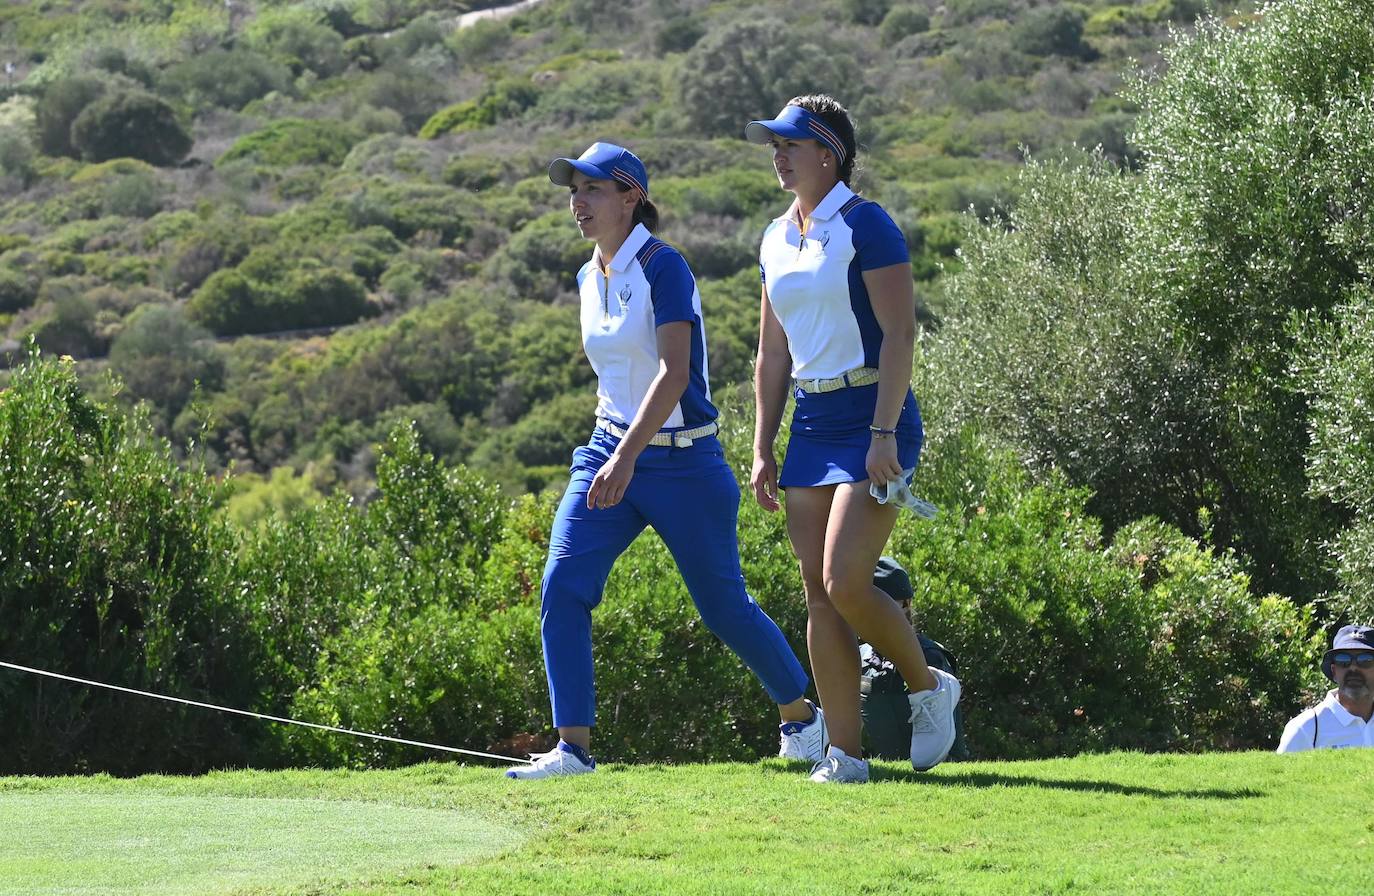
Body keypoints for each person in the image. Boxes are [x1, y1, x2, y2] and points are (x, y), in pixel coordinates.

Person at [507, 142, 823, 780]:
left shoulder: (664, 266)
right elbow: (615, 379)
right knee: (562, 586)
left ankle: (803, 719)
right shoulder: (585, 277)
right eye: (573, 190)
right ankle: (573, 750)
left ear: (630, 199)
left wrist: (627, 457)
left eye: (593, 190)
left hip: (683, 463)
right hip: (606, 451)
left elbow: (673, 374)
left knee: (722, 608)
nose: (578, 202)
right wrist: (615, 451)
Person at [745, 95, 960, 783]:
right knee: (817, 593)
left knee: (845, 581)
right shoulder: (775, 238)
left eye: (790, 144)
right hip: (811, 421)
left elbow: (900, 334)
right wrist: (761, 447)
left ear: (828, 154)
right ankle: (846, 756)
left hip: (874, 415)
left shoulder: (867, 224)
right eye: (773, 145)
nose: (778, 155)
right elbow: (771, 355)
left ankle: (928, 687)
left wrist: (883, 432)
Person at [861, 557, 968, 763]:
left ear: (906, 604)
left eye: (882, 603)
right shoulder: (860, 656)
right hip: (888, 774)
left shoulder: (929, 656)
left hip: (938, 766)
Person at [1277, 624, 1374, 753]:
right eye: (1343, 660)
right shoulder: (1306, 729)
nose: (1353, 668)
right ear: (1334, 671)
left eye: (1365, 660)